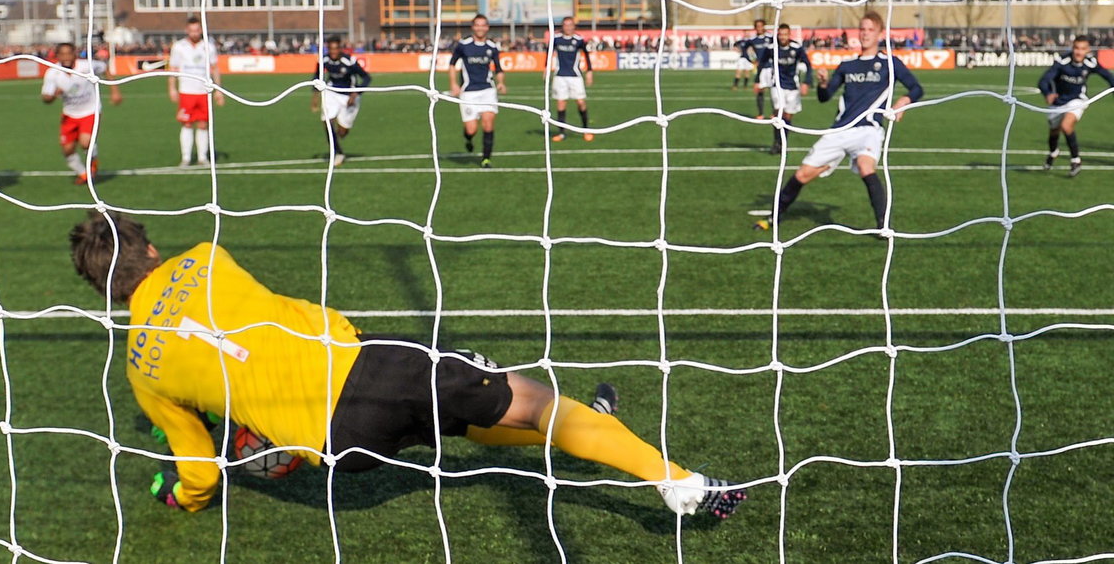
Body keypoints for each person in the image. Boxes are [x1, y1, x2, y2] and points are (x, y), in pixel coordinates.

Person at [67, 212, 747, 520]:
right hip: (370, 366)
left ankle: (582, 429)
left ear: (104, 290)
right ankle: (681, 483)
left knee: (463, 426)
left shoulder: (139, 369)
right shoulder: (205, 256)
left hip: (339, 450)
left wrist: (178, 494)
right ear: (151, 249)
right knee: (535, 400)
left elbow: (196, 474)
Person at [753, 11, 923, 234]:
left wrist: (903, 101)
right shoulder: (847, 65)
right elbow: (825, 97)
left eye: (870, 30)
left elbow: (917, 88)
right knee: (803, 174)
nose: (865, 34)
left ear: (880, 34)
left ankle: (883, 226)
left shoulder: (889, 63)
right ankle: (774, 218)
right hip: (840, 130)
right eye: (862, 29)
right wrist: (823, 84)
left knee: (865, 167)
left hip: (868, 130)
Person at [41, 42, 122, 184]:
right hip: (69, 114)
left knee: (86, 143)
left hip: (90, 110)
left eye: (69, 53)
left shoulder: (86, 66)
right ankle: (83, 174)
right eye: (62, 54)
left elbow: (105, 68)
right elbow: (46, 98)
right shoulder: (52, 73)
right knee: (67, 150)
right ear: (58, 56)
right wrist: (53, 94)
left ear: (75, 54)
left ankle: (93, 164)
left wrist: (114, 90)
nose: (66, 57)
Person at [1036, 34, 1114, 177]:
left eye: (1083, 49)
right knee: (1053, 132)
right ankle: (1053, 152)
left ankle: (1075, 161)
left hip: (1078, 100)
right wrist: (1047, 93)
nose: (1079, 52)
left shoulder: (1091, 63)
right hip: (1058, 102)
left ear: (1087, 50)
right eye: (1076, 48)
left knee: (1066, 126)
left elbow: (1109, 77)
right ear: (1072, 48)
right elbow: (1043, 81)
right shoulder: (1062, 61)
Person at [449, 14, 506, 168]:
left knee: (488, 124)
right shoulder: (463, 45)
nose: (480, 28)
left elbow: (499, 68)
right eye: (477, 25)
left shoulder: (492, 47)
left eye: (483, 25)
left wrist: (501, 83)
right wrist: (454, 84)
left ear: (487, 27)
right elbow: (452, 64)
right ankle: (468, 138)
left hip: (488, 90)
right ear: (473, 27)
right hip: (468, 92)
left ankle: (486, 159)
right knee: (471, 129)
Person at [168, 17, 225, 167]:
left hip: (204, 91)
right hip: (186, 91)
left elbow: (215, 68)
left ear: (201, 30)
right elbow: (173, 68)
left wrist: (218, 90)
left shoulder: (208, 46)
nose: (194, 33)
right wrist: (172, 88)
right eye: (191, 30)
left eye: (197, 30)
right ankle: (186, 158)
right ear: (187, 30)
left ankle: (202, 157)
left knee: (203, 124)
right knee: (186, 123)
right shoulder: (179, 47)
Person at [311, 36, 371, 167]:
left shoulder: (349, 62)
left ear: (340, 49)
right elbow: (317, 77)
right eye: (331, 49)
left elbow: (366, 78)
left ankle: (337, 138)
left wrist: (356, 93)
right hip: (331, 92)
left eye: (336, 49)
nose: (333, 52)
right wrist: (315, 98)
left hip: (349, 96)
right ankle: (338, 152)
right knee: (326, 122)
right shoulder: (323, 60)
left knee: (342, 133)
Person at [764, 24, 813, 155]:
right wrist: (758, 80)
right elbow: (762, 62)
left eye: (785, 34)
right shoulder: (771, 48)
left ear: (789, 34)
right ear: (777, 35)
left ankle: (783, 141)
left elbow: (808, 64)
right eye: (780, 34)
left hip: (793, 86)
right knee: (777, 114)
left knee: (787, 116)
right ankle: (776, 143)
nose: (783, 37)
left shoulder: (796, 48)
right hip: (777, 85)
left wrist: (807, 82)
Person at [548, 16, 595, 142]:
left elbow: (586, 55)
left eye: (570, 25)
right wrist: (545, 68)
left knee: (581, 103)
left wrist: (589, 71)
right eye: (566, 25)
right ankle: (561, 133)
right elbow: (549, 54)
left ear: (574, 26)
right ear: (562, 26)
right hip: (560, 76)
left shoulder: (579, 40)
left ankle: (586, 130)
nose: (568, 27)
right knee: (561, 104)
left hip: (575, 76)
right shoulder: (556, 39)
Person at [745, 19, 773, 119]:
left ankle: (775, 113)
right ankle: (760, 113)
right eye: (757, 26)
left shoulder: (771, 38)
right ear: (755, 28)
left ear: (764, 26)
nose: (759, 28)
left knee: (773, 90)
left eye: (761, 26)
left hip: (771, 68)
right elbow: (744, 49)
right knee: (759, 90)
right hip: (761, 69)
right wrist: (751, 60)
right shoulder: (753, 39)